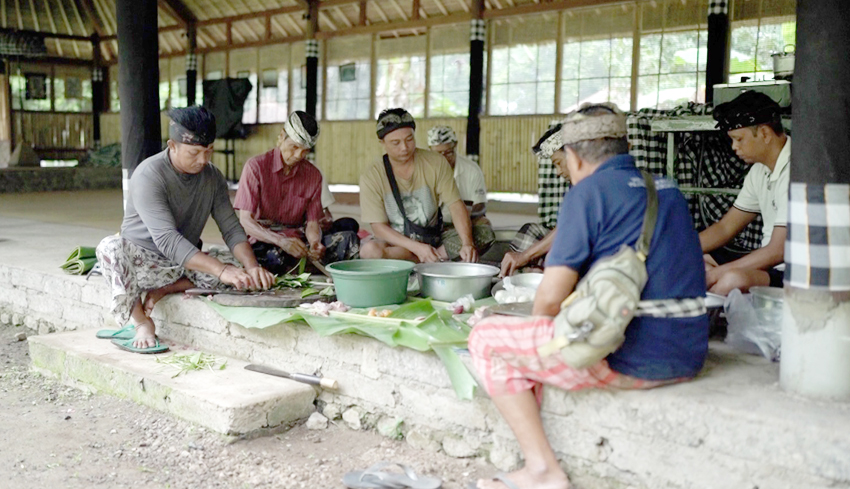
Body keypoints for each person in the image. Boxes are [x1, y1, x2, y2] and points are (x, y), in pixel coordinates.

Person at [468, 103, 708, 489]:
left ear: (574, 157)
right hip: (689, 352)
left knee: (486, 340)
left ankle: (542, 470)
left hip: (633, 361)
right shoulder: (665, 187)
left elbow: (548, 301)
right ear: (624, 146)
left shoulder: (586, 194)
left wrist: (536, 337)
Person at [96, 106, 274, 353]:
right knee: (109, 248)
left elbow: (231, 227)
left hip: (181, 263)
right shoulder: (149, 174)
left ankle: (168, 287)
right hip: (142, 264)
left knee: (241, 269)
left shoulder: (212, 177)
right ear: (172, 145)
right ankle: (142, 322)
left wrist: (251, 267)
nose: (203, 160)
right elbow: (167, 240)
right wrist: (221, 270)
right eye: (194, 152)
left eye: (209, 151)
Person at [234, 111, 359, 274]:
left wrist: (315, 242)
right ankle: (304, 268)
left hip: (298, 242)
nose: (299, 155)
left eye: (305, 150)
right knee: (274, 257)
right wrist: (281, 241)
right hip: (266, 241)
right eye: (294, 147)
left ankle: (303, 266)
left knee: (348, 240)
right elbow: (246, 221)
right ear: (281, 137)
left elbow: (312, 223)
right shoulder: (256, 167)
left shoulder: (313, 175)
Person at [699, 91, 790, 295]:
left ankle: (702, 324)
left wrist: (716, 274)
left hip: (792, 270)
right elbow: (725, 228)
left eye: (739, 139)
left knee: (732, 279)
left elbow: (778, 251)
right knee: (694, 258)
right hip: (768, 262)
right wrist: (678, 250)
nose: (734, 147)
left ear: (765, 134)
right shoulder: (759, 170)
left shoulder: (796, 170)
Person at [360, 108, 478, 263]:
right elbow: (379, 228)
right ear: (382, 142)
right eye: (396, 143)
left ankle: (428, 256)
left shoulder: (436, 162)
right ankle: (426, 257)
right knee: (369, 251)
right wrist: (416, 248)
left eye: (409, 139)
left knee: (481, 232)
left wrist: (467, 243)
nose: (404, 147)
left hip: (432, 238)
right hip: (399, 244)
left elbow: (455, 205)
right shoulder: (372, 175)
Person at [500, 123, 570, 277]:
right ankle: (522, 275)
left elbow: (568, 228)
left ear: (573, 153)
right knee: (530, 230)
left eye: (558, 163)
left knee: (543, 256)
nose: (558, 172)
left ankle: (536, 278)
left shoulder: (592, 185)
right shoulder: (577, 183)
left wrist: (525, 256)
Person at [427, 125, 495, 260]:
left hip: (461, 227)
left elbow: (480, 207)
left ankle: (438, 255)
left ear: (455, 145)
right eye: (438, 154)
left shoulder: (471, 170)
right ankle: (446, 253)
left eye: (448, 152)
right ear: (430, 150)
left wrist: (461, 218)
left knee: (484, 228)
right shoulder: (423, 170)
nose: (444, 158)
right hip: (431, 229)